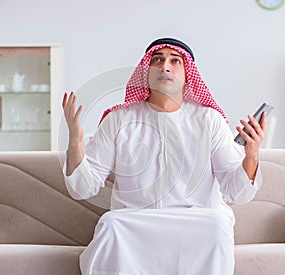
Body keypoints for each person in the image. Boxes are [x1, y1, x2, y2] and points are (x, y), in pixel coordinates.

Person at [62, 37, 265, 275]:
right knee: (112, 224)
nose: (165, 66)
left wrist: (251, 155)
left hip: (195, 221)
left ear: (188, 73)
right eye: (157, 60)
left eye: (174, 60)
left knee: (217, 224)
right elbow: (83, 188)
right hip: (137, 221)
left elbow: (235, 191)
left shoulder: (209, 120)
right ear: (145, 71)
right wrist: (75, 141)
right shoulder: (118, 119)